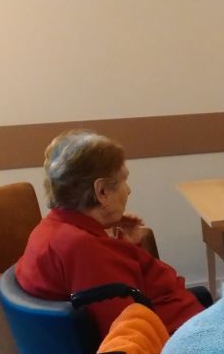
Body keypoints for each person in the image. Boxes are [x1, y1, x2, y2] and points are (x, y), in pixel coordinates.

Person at [16, 129, 205, 337]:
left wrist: (126, 245)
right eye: (124, 180)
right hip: (178, 342)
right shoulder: (82, 249)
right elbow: (125, 334)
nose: (128, 190)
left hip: (180, 328)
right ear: (102, 192)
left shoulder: (49, 231)